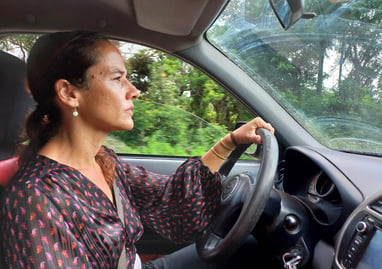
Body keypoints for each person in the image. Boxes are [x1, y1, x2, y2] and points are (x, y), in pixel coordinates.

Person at [0, 31, 275, 269]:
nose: (134, 91)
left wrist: (228, 143)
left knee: (251, 248)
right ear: (70, 93)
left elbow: (170, 203)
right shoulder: (35, 198)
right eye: (117, 78)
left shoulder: (103, 160)